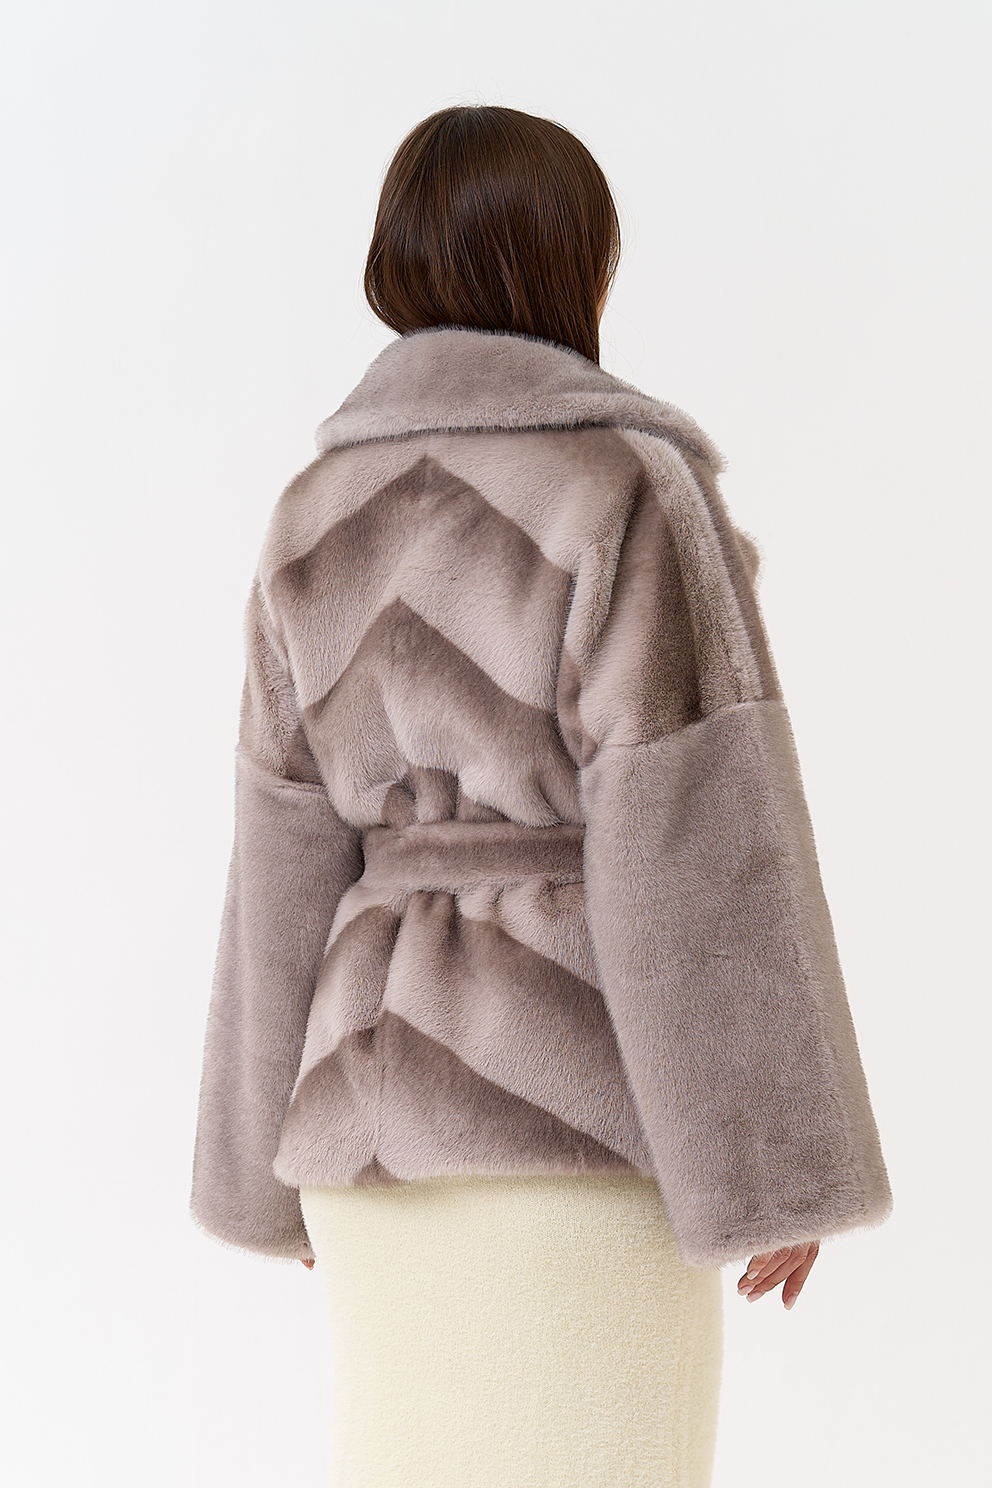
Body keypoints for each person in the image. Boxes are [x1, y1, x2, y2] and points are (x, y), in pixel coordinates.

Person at [190, 104, 893, 1487]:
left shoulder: (312, 514)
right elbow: (698, 837)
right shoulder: (623, 490)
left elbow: (277, 856)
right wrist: (770, 1168)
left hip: (369, 1124)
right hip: (570, 1117)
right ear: (578, 260)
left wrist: (261, 1172)